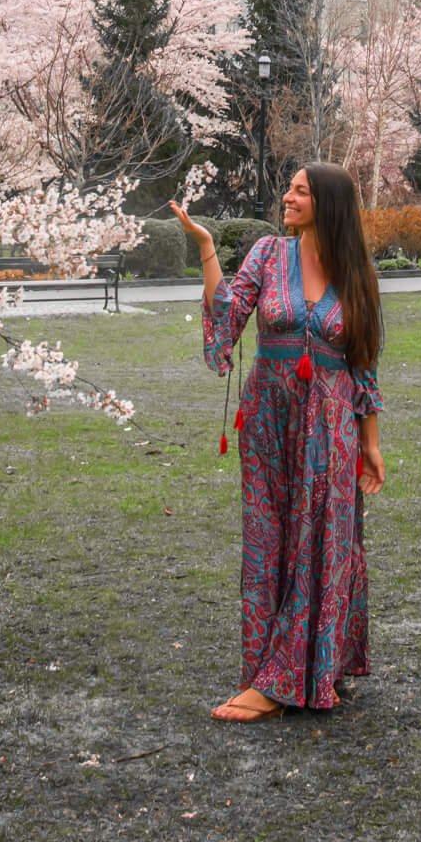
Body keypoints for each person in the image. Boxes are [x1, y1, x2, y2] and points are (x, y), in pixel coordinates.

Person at [169, 163, 386, 722]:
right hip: (268, 419)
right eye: (288, 187)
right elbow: (227, 317)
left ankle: (305, 673)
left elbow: (363, 362)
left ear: (327, 203)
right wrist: (207, 250)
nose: (285, 196)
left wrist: (372, 443)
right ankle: (271, 673)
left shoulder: (356, 271)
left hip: (331, 425)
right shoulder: (268, 253)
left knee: (323, 541)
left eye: (299, 190)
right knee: (269, 541)